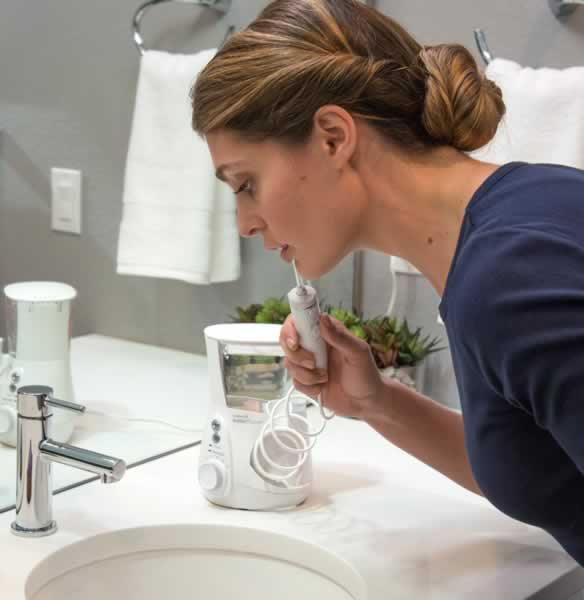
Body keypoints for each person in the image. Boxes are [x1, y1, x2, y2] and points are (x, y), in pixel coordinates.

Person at [190, 0, 584, 565]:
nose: (245, 223)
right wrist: (377, 403)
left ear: (332, 137)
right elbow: (545, 469)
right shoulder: (529, 207)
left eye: (245, 183)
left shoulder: (512, 281)